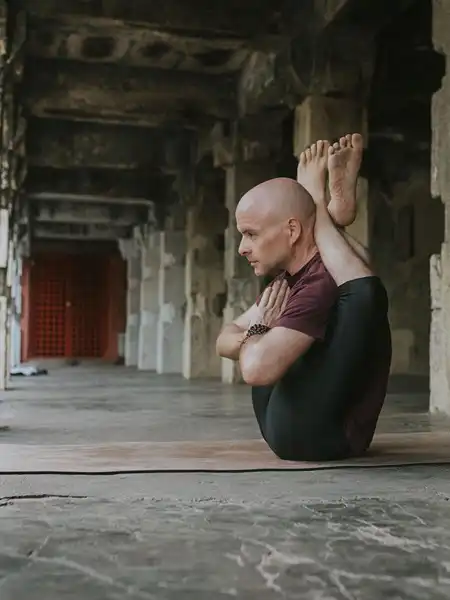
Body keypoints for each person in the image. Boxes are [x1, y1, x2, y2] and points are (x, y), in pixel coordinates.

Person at [216, 134, 392, 461]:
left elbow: (253, 369)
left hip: (316, 437)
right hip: (293, 429)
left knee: (364, 292)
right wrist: (258, 333)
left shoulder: (317, 286)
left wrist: (256, 333)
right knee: (360, 283)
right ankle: (328, 214)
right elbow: (223, 341)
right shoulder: (287, 284)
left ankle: (324, 210)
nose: (242, 247)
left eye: (251, 234)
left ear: (293, 231)